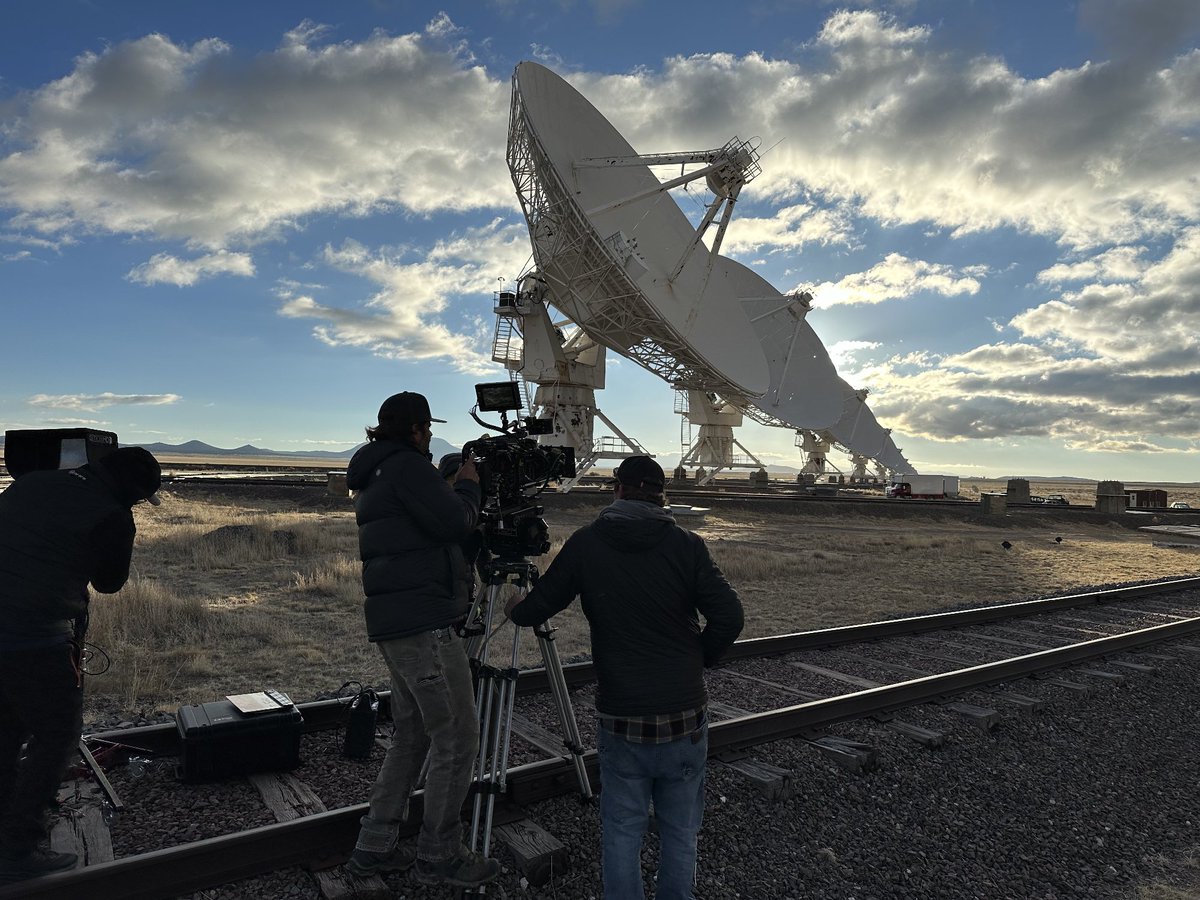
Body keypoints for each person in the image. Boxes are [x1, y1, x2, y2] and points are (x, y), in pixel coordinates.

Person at [506, 455, 743, 900]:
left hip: (622, 717)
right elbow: (730, 616)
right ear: (660, 494)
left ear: (617, 490)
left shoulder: (587, 543)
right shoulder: (687, 545)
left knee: (621, 830)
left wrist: (514, 606)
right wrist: (699, 660)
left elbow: (537, 608)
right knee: (680, 830)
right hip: (684, 716)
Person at [343, 392, 501, 889]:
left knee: (413, 734)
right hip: (425, 624)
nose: (431, 437)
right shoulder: (408, 467)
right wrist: (469, 489)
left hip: (399, 623)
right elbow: (453, 522)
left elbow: (426, 529)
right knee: (456, 735)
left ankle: (374, 846)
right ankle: (440, 855)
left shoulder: (378, 472)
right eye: (427, 429)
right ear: (415, 429)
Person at [0, 446, 161, 885]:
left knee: (8, 730)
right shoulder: (112, 515)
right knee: (59, 735)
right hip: (35, 638)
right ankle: (14, 849)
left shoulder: (32, 482)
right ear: (131, 492)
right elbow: (109, 583)